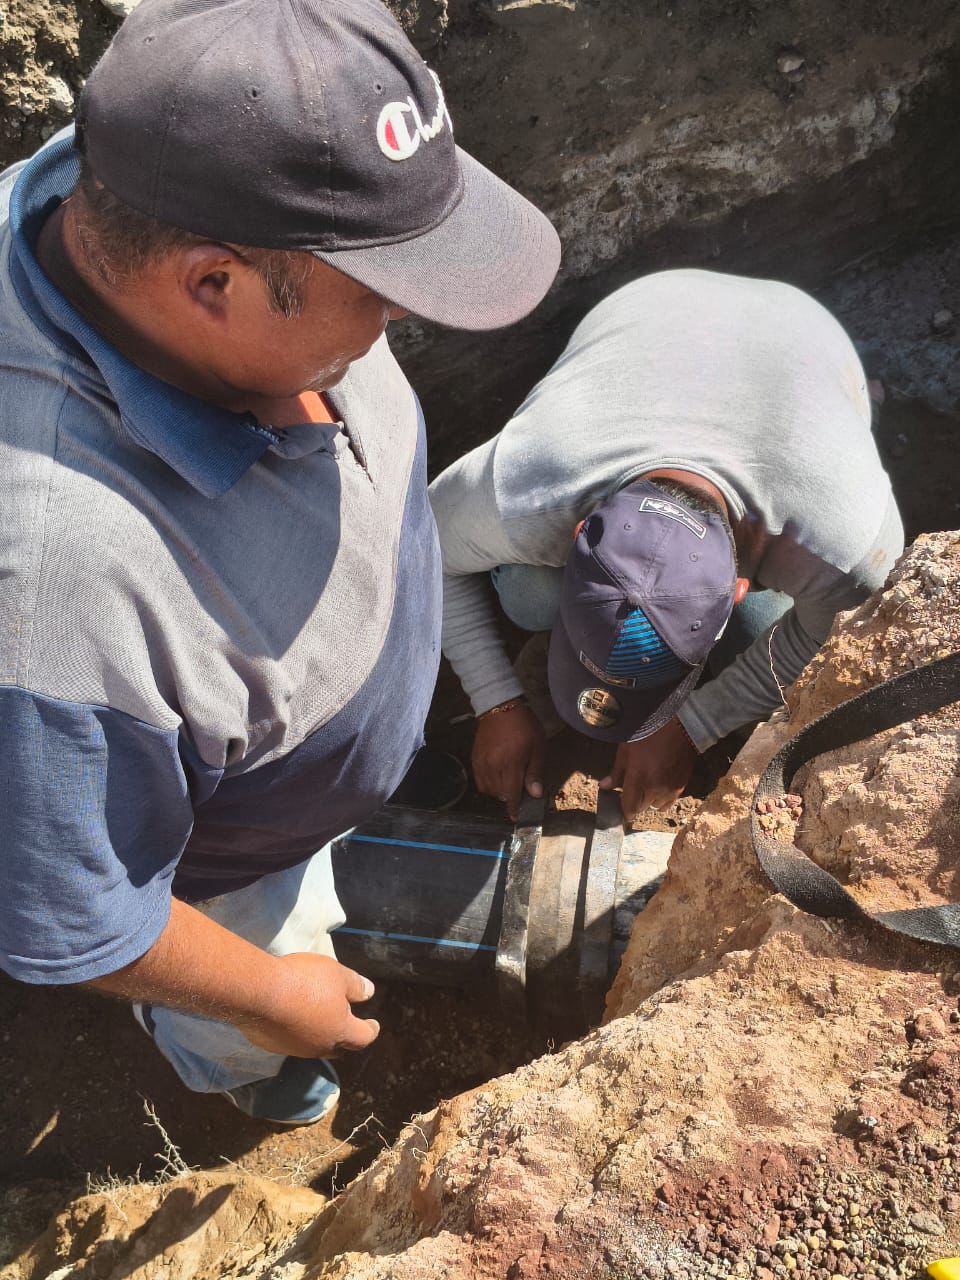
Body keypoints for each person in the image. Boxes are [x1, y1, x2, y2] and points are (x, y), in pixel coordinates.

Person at [0, 0, 560, 1125]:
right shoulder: (57, 590)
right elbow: (72, 909)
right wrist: (268, 993)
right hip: (226, 878)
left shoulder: (158, 193)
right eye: (382, 290)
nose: (405, 317)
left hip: (286, 769)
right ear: (212, 284)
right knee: (266, 1037)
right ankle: (237, 1073)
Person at [430, 269, 904, 822]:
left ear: (735, 590)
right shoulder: (529, 481)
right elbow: (425, 551)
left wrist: (694, 725)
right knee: (530, 594)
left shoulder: (845, 545)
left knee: (760, 631)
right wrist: (497, 700)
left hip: (805, 332)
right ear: (580, 531)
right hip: (656, 302)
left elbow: (834, 638)